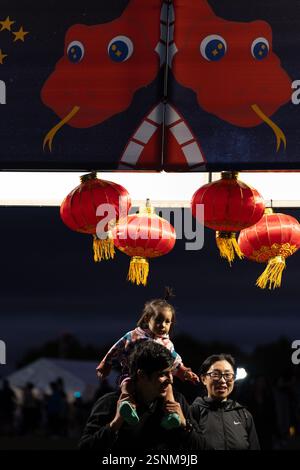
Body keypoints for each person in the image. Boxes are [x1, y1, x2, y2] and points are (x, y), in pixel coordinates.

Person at [96, 289, 199, 429]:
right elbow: (117, 348)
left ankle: (171, 415)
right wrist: (105, 364)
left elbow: (175, 362)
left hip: (158, 379)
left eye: (167, 322)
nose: (163, 325)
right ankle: (127, 406)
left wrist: (184, 372)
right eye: (158, 320)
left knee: (168, 388)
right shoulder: (134, 335)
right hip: (130, 374)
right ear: (147, 319)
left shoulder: (167, 344)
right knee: (127, 385)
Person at [79, 341, 207, 452]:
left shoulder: (177, 402)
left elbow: (202, 447)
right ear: (142, 375)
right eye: (163, 374)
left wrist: (184, 425)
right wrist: (114, 425)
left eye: (171, 373)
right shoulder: (110, 403)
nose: (170, 380)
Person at [191, 353, 260, 450]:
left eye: (228, 375)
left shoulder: (244, 415)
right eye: (215, 374)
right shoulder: (193, 413)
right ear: (203, 379)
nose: (223, 380)